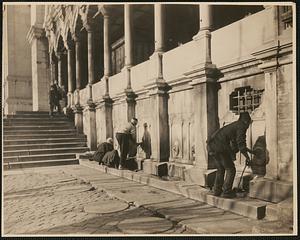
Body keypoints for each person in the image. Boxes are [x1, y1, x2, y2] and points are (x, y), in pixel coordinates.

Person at [207, 112, 254, 198]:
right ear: (246, 121)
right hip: (220, 148)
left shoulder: (235, 125)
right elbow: (241, 144)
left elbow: (237, 143)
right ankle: (227, 192)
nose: (248, 126)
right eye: (249, 123)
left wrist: (250, 151)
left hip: (211, 146)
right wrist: (248, 158)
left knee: (221, 168)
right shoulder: (241, 126)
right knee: (231, 169)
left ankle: (216, 191)